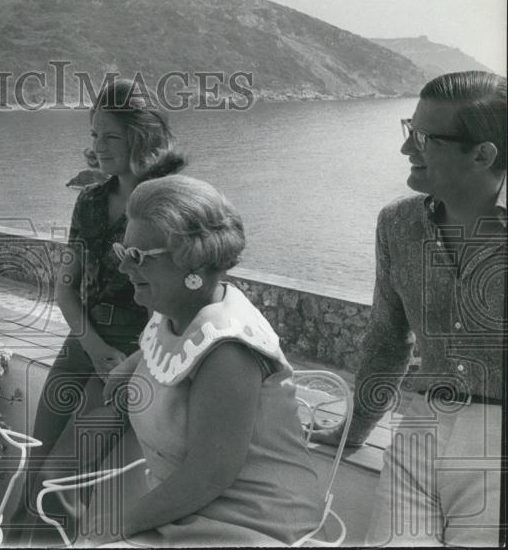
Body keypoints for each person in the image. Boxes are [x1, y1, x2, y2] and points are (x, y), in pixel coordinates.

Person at [52, 174, 322, 546]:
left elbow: (207, 476)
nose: (123, 268)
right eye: (122, 251)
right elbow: (165, 346)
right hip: (192, 511)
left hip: (247, 523)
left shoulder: (228, 351)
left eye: (138, 257)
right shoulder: (175, 310)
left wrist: (115, 524)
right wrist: (129, 367)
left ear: (191, 263)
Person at [313, 71, 505, 547]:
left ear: (483, 155)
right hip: (418, 430)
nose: (406, 149)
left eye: (424, 138)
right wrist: (354, 430)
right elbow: (386, 339)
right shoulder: (398, 224)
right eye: (409, 129)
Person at [9, 78, 185, 540]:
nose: (98, 146)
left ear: (140, 137)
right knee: (33, 465)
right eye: (94, 135)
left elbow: (179, 304)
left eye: (110, 136)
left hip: (138, 354)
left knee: (60, 483)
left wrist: (127, 361)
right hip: (83, 340)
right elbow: (65, 289)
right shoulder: (89, 202)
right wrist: (91, 345)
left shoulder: (171, 205)